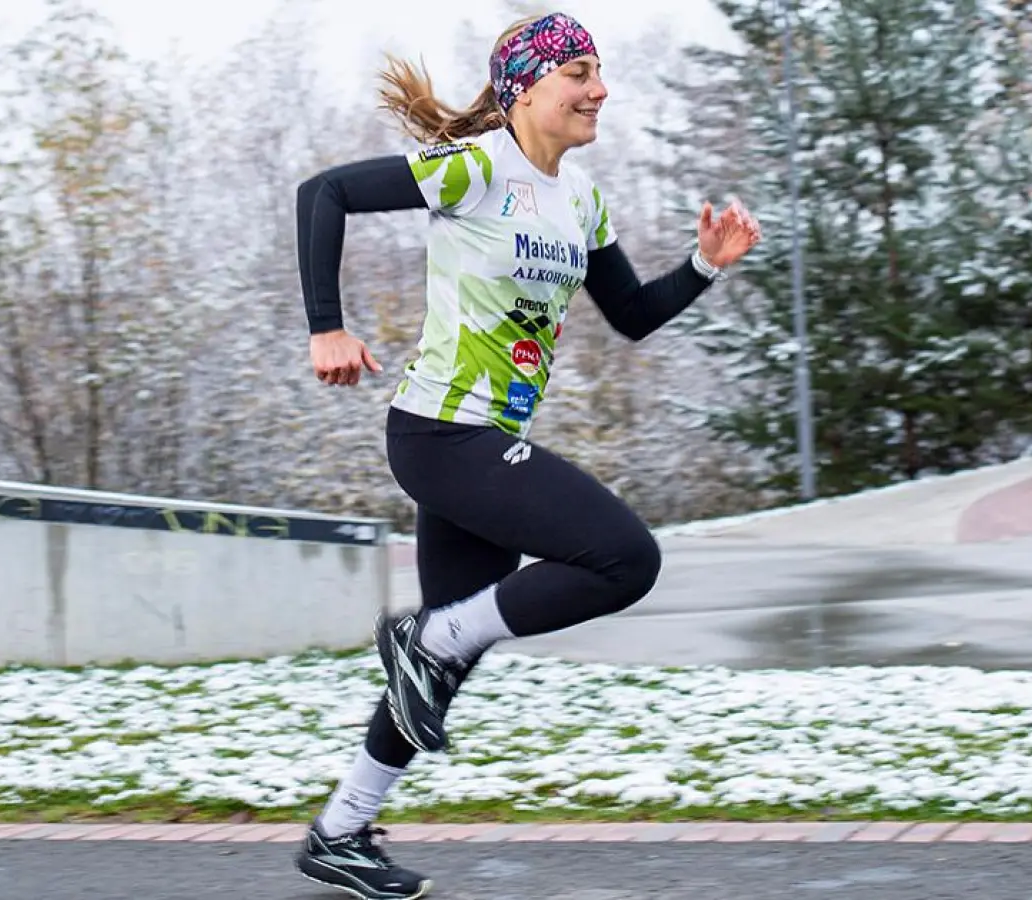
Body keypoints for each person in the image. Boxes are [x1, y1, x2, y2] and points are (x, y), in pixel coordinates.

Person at [290, 11, 761, 899]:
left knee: (447, 661)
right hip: (440, 434)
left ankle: (341, 829)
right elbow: (325, 193)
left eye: (599, 72)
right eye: (579, 72)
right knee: (624, 558)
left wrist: (703, 266)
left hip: (483, 441)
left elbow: (628, 315)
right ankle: (424, 640)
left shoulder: (578, 202)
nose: (600, 90)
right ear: (525, 87)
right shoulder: (476, 167)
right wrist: (327, 327)